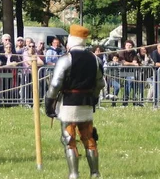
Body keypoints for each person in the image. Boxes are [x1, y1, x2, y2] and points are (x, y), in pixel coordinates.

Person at [45, 24, 104, 179]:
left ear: (71, 40)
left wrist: (48, 104)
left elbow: (55, 84)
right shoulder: (95, 59)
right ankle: (95, 173)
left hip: (68, 104)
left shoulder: (66, 59)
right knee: (89, 139)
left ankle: (74, 175)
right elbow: (100, 83)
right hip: (86, 104)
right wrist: (94, 98)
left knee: (69, 139)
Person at [118, 39, 140, 106]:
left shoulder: (134, 52)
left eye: (130, 45)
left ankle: (135, 101)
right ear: (125, 46)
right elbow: (124, 63)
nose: (129, 47)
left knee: (135, 85)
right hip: (122, 71)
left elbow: (135, 61)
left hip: (132, 72)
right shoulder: (122, 52)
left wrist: (131, 63)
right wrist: (132, 64)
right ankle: (125, 101)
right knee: (128, 83)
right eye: (127, 45)